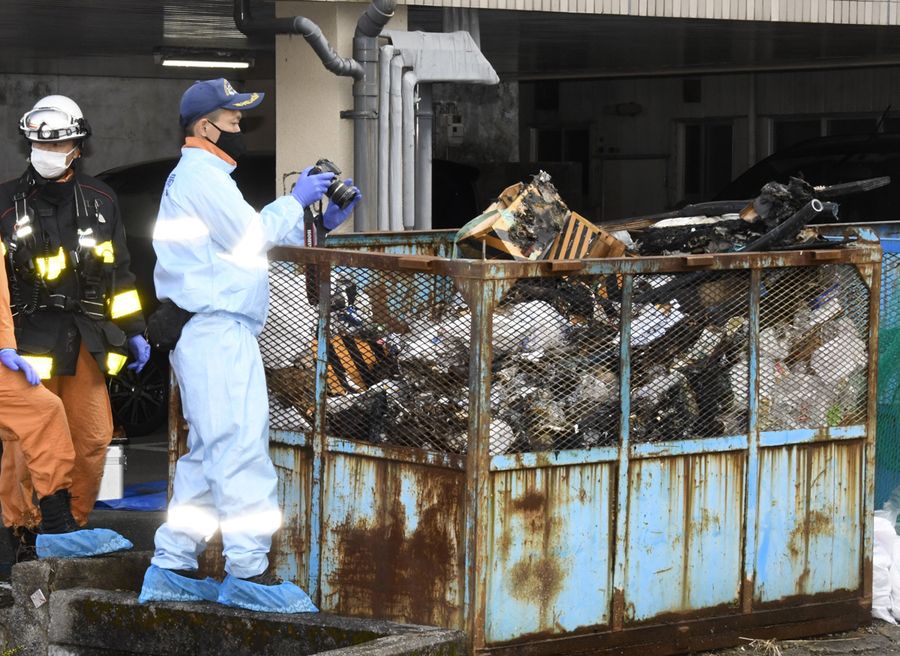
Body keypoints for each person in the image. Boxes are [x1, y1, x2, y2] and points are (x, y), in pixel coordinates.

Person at [139, 78, 359, 613]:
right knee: (239, 451)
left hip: (210, 331)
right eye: (233, 119)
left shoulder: (203, 176)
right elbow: (247, 238)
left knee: (207, 456)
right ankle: (249, 573)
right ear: (205, 125)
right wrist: (294, 202)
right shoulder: (201, 177)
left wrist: (315, 223)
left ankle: (172, 565)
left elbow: (236, 249)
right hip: (215, 331)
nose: (242, 127)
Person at [0, 95, 142, 559]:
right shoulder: (5, 203)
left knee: (92, 436)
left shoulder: (102, 200)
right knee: (28, 440)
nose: (48, 152)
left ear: (77, 146)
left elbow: (120, 271)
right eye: (40, 144)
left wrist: (132, 328)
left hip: (86, 335)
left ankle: (71, 527)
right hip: (28, 339)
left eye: (58, 144)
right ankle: (24, 529)